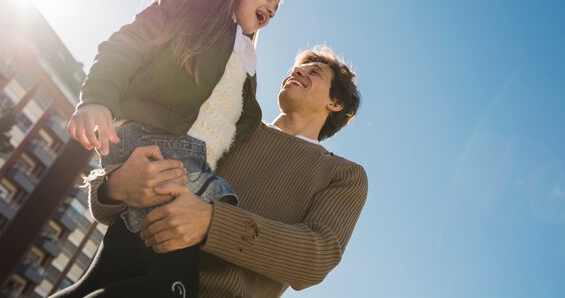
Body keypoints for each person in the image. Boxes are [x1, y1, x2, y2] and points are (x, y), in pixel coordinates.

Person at [53, 0, 289, 298]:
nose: (271, 10)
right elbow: (127, 43)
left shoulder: (246, 65)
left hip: (186, 160)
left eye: (277, 7)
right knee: (172, 289)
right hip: (158, 147)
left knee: (104, 281)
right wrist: (96, 99)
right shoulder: (192, 1)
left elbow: (242, 124)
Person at [86, 46, 368, 298]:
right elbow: (136, 160)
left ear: (336, 102)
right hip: (118, 280)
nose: (296, 71)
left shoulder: (343, 175)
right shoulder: (228, 123)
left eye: (314, 72)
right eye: (297, 67)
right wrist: (112, 187)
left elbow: (314, 258)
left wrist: (212, 222)